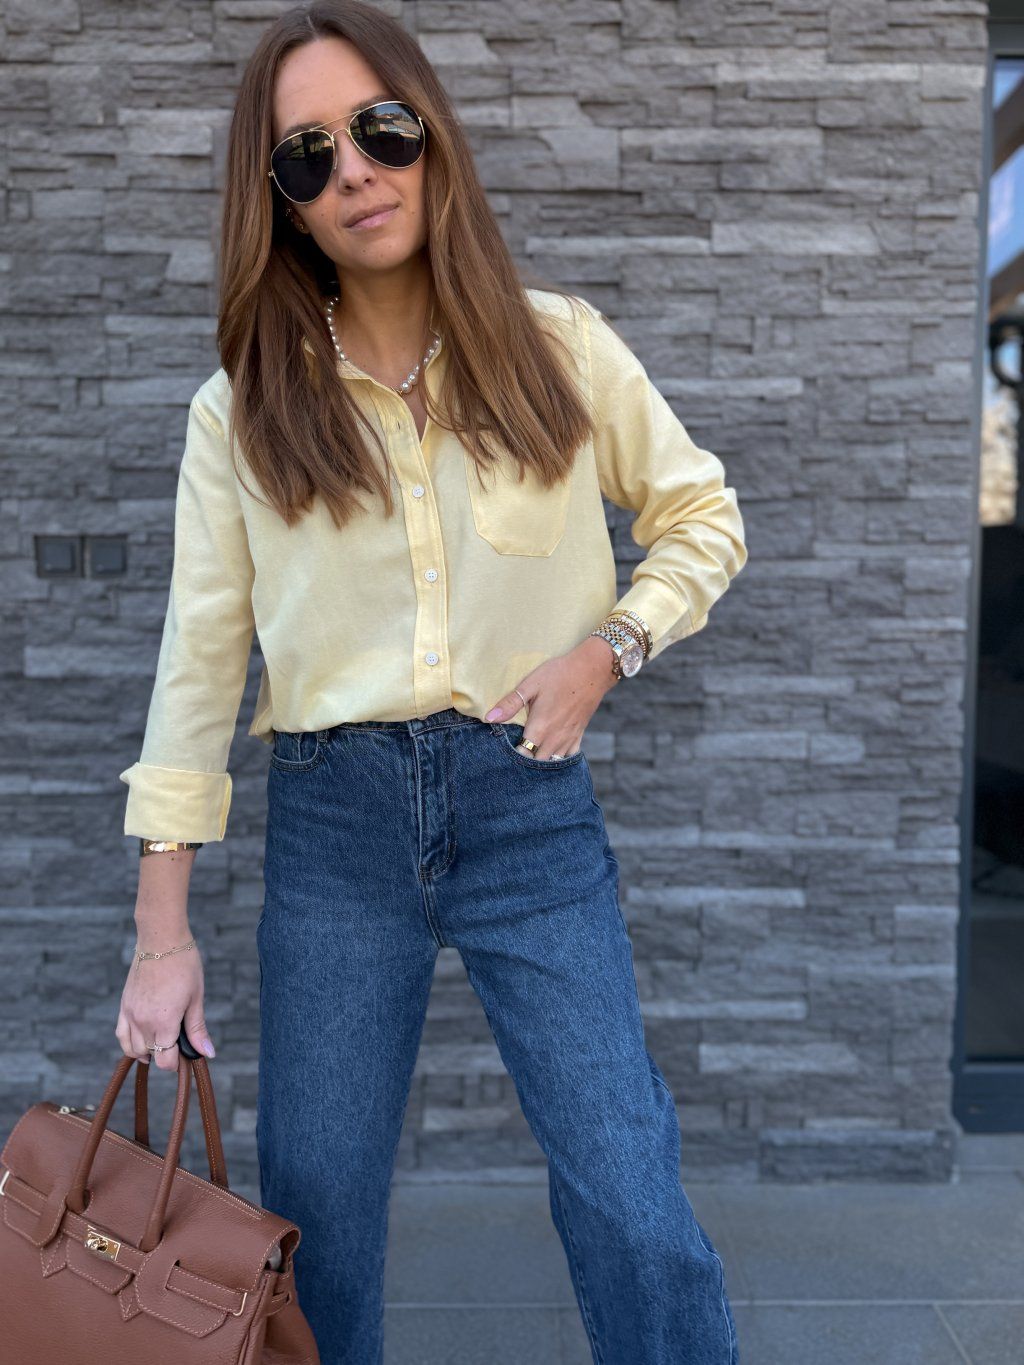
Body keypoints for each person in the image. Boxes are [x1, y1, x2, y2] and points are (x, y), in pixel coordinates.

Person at [115, 2, 748, 1361]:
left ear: (432, 135)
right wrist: (162, 938)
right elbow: (197, 664)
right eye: (307, 155)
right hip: (334, 834)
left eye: (381, 128)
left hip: (530, 814)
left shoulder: (561, 347)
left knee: (631, 1193)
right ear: (280, 201)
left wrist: (609, 649)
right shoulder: (241, 408)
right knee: (319, 1225)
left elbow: (704, 515)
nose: (353, 169)